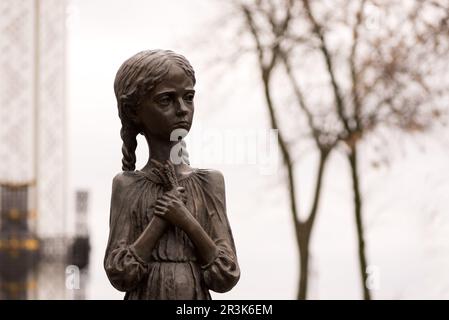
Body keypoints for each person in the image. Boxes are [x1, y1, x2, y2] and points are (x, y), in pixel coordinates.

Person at [104, 49, 240, 299]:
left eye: (188, 97)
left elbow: (226, 275)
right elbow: (121, 274)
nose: (182, 109)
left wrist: (184, 219)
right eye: (166, 100)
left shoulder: (210, 182)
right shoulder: (127, 185)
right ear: (134, 111)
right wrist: (159, 221)